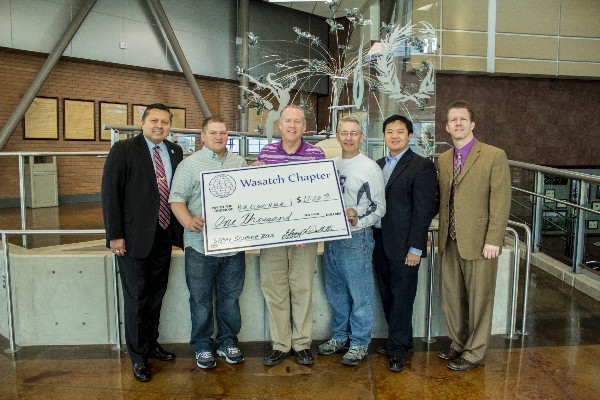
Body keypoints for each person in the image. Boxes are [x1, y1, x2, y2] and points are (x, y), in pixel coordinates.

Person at [101, 103, 183, 382]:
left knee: (157, 294)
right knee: (137, 297)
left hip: (163, 235)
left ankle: (151, 344)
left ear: (170, 126)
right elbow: (111, 194)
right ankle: (138, 357)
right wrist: (115, 235)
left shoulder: (175, 151)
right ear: (143, 123)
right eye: (154, 120)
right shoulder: (123, 151)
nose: (159, 126)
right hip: (133, 239)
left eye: (165, 122)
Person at [437, 100, 511, 371]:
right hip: (449, 240)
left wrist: (495, 238)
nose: (458, 123)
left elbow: (501, 201)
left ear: (472, 124)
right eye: (453, 120)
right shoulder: (444, 159)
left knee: (480, 299)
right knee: (452, 297)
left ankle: (475, 352)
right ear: (447, 127)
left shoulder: (493, 155)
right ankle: (458, 344)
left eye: (463, 119)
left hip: (481, 242)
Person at [169, 117, 248, 370]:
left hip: (234, 246)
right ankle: (202, 345)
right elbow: (176, 199)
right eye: (213, 132)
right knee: (201, 300)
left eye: (223, 133)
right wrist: (188, 221)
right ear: (202, 136)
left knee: (230, 298)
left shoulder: (239, 163)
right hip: (200, 246)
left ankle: (227, 341)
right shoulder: (189, 165)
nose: (219, 137)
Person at [255, 105, 325, 366]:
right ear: (280, 126)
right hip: (272, 237)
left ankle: (302, 343)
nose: (292, 126)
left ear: (304, 127)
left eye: (297, 122)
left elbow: (322, 195)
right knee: (274, 289)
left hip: (304, 238)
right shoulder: (266, 153)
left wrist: (310, 225)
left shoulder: (317, 155)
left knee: (302, 287)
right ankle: (281, 343)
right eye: (288, 121)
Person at [317, 115, 385, 366]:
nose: (348, 138)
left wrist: (359, 219)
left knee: (360, 294)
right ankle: (339, 336)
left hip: (357, 238)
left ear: (361, 137)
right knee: (336, 293)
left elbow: (379, 208)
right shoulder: (330, 165)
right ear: (337, 136)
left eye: (354, 133)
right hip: (332, 237)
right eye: (344, 133)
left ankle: (359, 342)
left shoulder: (369, 167)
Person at [372, 115, 438, 372]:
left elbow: (424, 210)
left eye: (400, 131)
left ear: (410, 135)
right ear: (384, 136)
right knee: (387, 294)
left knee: (402, 297)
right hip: (379, 241)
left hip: (404, 245)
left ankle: (397, 350)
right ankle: (402, 340)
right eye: (390, 131)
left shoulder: (421, 166)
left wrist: (416, 248)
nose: (395, 136)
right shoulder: (377, 165)